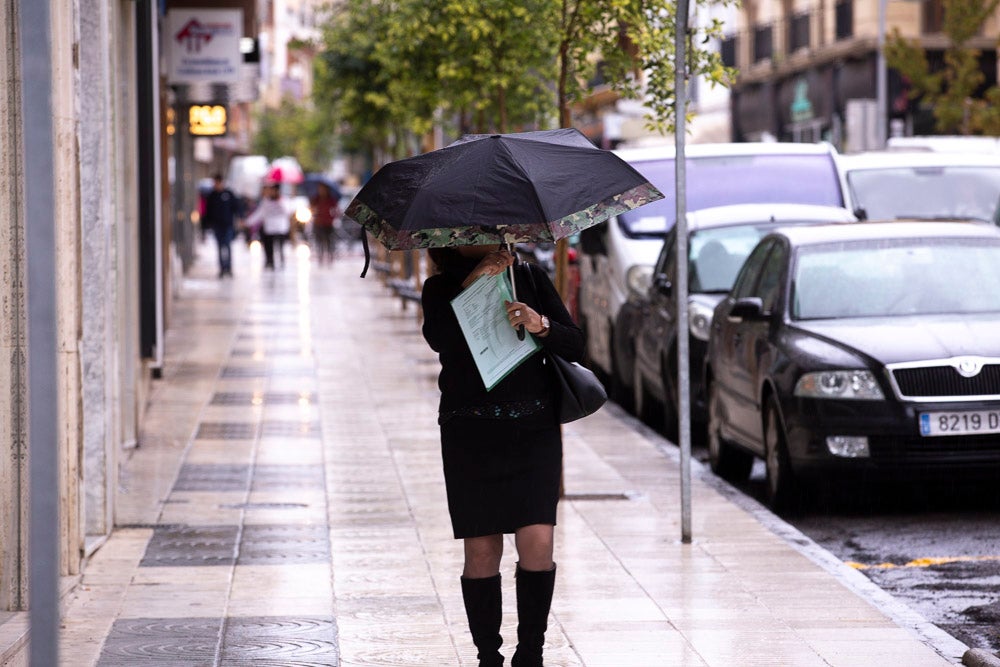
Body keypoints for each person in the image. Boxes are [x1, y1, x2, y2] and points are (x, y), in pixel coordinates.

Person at [420, 245, 584, 667]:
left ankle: (530, 653)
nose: (483, 237)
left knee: (539, 542)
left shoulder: (528, 278)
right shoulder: (439, 288)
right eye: (470, 231)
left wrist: (540, 323)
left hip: (533, 429)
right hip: (470, 432)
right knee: (481, 549)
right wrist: (472, 284)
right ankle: (487, 656)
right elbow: (440, 339)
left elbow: (575, 345)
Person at [245, 181, 292, 269]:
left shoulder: (283, 200)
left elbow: (288, 211)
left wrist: (280, 202)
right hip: (269, 228)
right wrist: (248, 222)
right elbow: (259, 214)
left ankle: (281, 263)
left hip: (280, 228)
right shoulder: (266, 201)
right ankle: (270, 262)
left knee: (280, 247)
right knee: (268, 247)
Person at [203, 174, 242, 277]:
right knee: (220, 247)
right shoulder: (212, 195)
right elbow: (208, 211)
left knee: (228, 246)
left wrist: (239, 218)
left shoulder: (229, 194)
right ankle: (222, 268)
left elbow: (237, 207)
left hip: (228, 225)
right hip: (217, 226)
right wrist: (207, 224)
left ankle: (229, 268)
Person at [310, 182, 340, 265]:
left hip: (328, 223)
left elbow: (336, 210)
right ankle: (320, 258)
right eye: (320, 189)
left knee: (329, 241)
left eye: (323, 189)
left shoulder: (331, 200)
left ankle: (330, 257)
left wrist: (333, 217)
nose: (321, 191)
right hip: (318, 222)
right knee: (319, 241)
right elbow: (311, 209)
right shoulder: (316, 199)